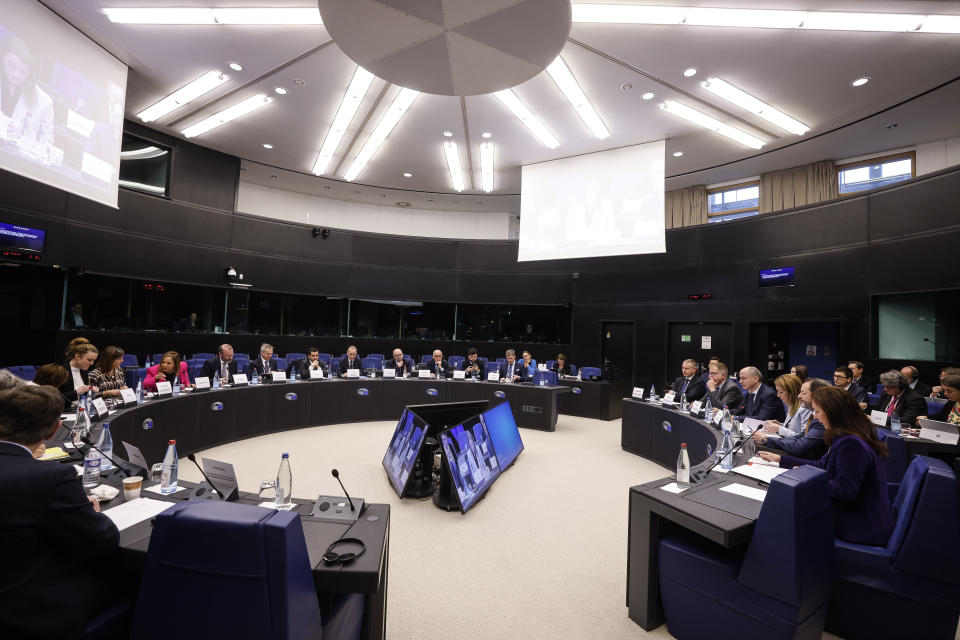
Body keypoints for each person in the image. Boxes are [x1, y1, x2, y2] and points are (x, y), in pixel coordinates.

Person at [0, 385, 120, 637]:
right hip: (29, 612)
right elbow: (103, 540)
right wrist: (93, 512)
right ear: (54, 429)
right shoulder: (51, 478)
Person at [759, 385, 894, 546]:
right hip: (852, 512)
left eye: (817, 411)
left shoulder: (852, 443)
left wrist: (807, 479)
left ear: (833, 413)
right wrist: (780, 459)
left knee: (782, 513)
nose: (815, 417)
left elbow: (844, 491)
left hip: (861, 524)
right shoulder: (844, 435)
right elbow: (822, 464)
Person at [0, 37, 55, 159]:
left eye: (23, 71)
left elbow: (48, 149)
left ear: (31, 74)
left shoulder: (44, 103)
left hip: (15, 164)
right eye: (11, 65)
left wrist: (24, 136)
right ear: (2, 57)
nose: (15, 74)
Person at [754, 378, 828, 460]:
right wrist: (768, 439)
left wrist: (768, 438)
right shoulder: (808, 413)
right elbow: (799, 438)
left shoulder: (820, 420)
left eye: (803, 393)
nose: (799, 396)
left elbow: (800, 446)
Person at [59, 340, 98, 406]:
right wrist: (76, 392)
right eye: (89, 360)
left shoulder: (84, 370)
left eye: (94, 360)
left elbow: (84, 394)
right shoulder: (61, 371)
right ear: (77, 356)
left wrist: (91, 390)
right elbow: (52, 397)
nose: (92, 363)